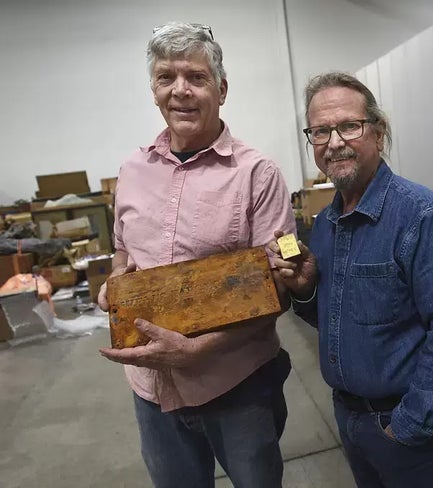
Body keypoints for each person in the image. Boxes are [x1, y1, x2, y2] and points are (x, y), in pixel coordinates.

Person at [97, 22, 296, 488]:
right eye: (167, 78)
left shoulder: (257, 174)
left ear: (222, 89)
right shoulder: (131, 170)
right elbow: (122, 252)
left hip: (237, 385)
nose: (180, 91)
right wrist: (116, 282)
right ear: (153, 90)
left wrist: (198, 350)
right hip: (151, 391)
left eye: (196, 77)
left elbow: (278, 286)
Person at [270, 72, 433, 487]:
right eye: (320, 131)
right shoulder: (329, 223)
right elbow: (341, 323)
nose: (334, 142)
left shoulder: (423, 216)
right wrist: (306, 290)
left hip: (411, 432)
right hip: (351, 419)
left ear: (379, 132)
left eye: (349, 126)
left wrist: (406, 427)